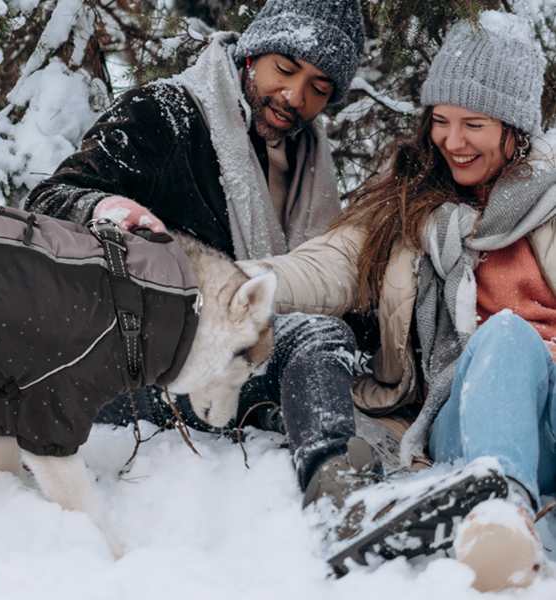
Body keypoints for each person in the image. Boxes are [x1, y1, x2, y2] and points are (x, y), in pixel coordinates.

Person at [23, 0, 476, 565]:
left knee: (342, 352)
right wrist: (109, 211)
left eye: (318, 87)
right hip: (135, 367)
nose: (295, 98)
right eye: (285, 70)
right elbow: (47, 203)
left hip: (234, 365)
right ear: (251, 52)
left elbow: (321, 274)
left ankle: (387, 481)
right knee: (311, 336)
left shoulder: (308, 157)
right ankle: (339, 502)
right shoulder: (165, 115)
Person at [246, 10, 556, 590]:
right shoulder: (409, 205)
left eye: (475, 125)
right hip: (464, 412)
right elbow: (325, 266)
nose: (452, 142)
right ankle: (501, 516)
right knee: (507, 336)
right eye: (440, 121)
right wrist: (228, 281)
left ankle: (500, 505)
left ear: (516, 129)